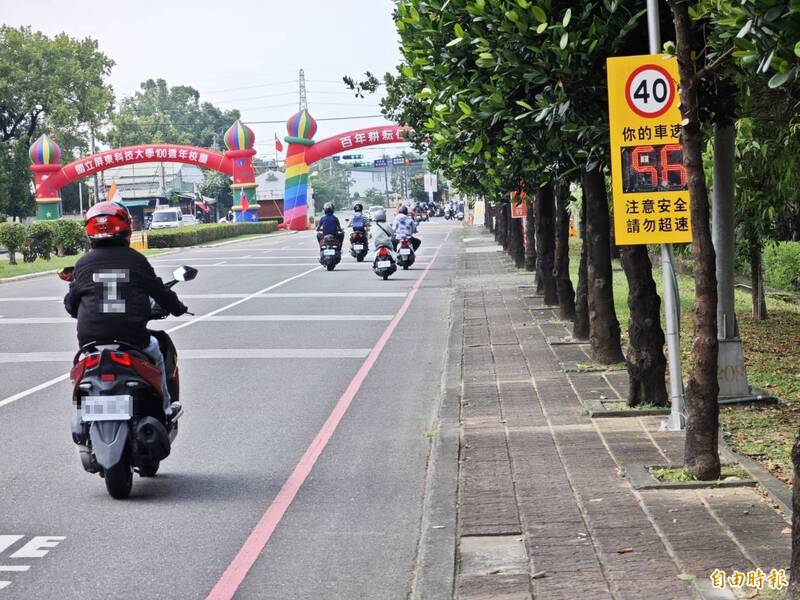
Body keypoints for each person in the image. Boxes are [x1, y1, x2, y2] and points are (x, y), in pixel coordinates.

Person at [63, 201, 188, 417]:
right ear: (127, 229)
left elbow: (71, 305)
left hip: (91, 344)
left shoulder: (83, 263)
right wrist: (178, 308)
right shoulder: (135, 260)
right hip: (133, 340)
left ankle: (83, 418)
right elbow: (159, 291)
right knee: (157, 353)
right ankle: (166, 409)